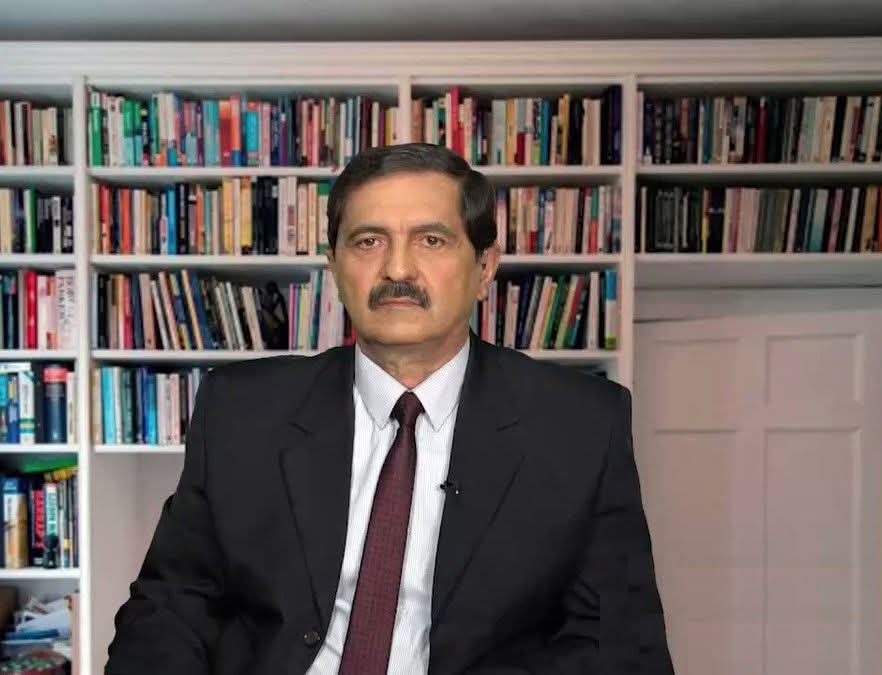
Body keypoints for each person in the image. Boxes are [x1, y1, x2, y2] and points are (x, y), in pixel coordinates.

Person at [105, 142, 674, 675]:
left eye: (431, 240)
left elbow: (619, 643)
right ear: (334, 267)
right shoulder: (242, 411)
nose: (398, 270)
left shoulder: (580, 426)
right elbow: (170, 607)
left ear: (485, 268)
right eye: (368, 242)